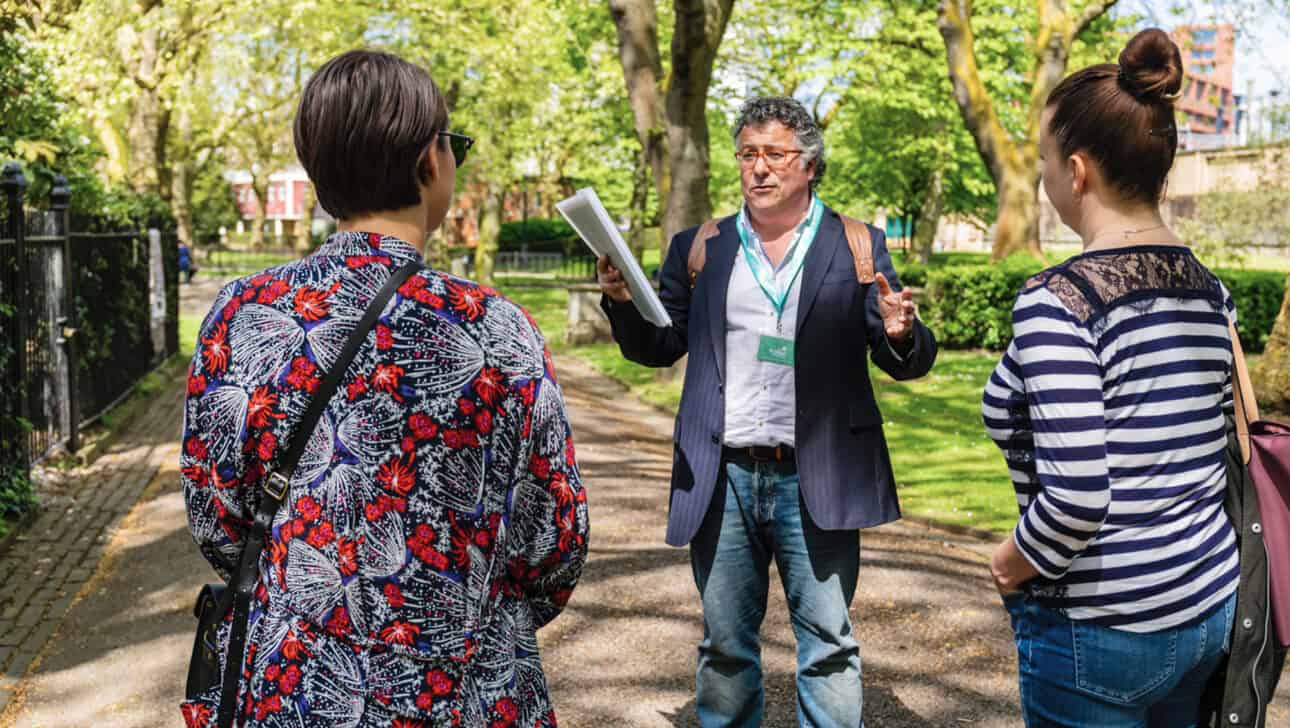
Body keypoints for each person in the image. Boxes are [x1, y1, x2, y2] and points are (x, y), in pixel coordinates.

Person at [180, 49, 588, 728]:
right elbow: (555, 534)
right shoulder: (496, 330)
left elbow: (218, 511)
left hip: (298, 685)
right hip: (465, 683)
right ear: (430, 160)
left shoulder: (246, 313)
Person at [598, 96, 937, 727]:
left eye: (775, 155)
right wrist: (621, 302)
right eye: (748, 155)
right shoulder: (701, 247)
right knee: (725, 647)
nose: (759, 169)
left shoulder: (858, 244)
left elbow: (906, 361)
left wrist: (896, 332)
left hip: (819, 476)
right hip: (723, 476)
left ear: (809, 164)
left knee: (829, 645)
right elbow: (661, 344)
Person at [981, 29, 1245, 726]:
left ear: (1076, 171)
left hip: (1101, 631)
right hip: (1210, 604)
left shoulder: (1058, 300)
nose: (1040, 173)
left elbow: (1075, 495)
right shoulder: (1209, 291)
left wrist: (1011, 564)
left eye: (1040, 157)